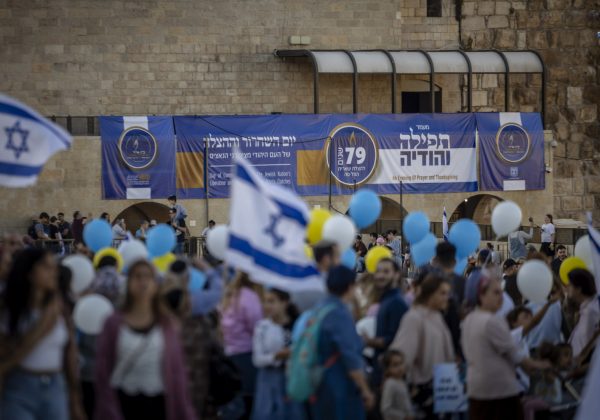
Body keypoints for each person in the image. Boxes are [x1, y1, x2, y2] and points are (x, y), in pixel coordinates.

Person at [94, 259, 196, 420]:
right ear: (129, 283)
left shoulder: (167, 324)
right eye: (137, 276)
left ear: (155, 284)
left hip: (158, 402)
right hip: (123, 402)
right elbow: (103, 368)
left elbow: (177, 372)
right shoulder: (113, 323)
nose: (143, 282)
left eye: (148, 277)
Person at [0, 249, 85, 420]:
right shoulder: (8, 310)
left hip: (55, 385)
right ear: (30, 273)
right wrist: (41, 328)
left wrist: (75, 397)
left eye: (54, 267)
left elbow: (69, 352)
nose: (53, 272)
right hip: (19, 385)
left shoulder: (59, 308)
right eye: (46, 267)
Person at [461, 271, 550, 420]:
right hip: (499, 393)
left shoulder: (469, 319)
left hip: (477, 390)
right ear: (481, 295)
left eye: (501, 292)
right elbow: (515, 355)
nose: (501, 297)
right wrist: (542, 365)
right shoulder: (492, 321)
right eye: (496, 293)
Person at [311, 265, 374, 420]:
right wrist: (365, 389)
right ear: (350, 287)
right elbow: (350, 356)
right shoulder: (339, 314)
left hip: (320, 380)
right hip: (339, 383)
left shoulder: (320, 308)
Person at [390, 272, 455, 419]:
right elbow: (402, 355)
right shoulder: (414, 318)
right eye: (442, 293)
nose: (446, 297)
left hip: (443, 389)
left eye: (447, 293)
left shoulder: (436, 315)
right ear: (430, 293)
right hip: (424, 391)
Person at [251, 288, 301, 420]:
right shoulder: (262, 327)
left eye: (272, 301)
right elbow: (257, 359)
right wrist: (276, 356)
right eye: (265, 301)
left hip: (292, 377)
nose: (267, 306)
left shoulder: (297, 325)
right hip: (269, 378)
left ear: (284, 303)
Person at [220, 271, 263, 418]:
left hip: (231, 352)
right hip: (247, 353)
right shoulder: (250, 297)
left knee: (239, 399)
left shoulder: (232, 295)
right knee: (250, 399)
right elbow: (256, 326)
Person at [362, 258, 408, 388]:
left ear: (396, 275)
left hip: (389, 376)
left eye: (386, 271)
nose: (380, 275)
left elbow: (394, 340)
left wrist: (369, 341)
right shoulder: (387, 299)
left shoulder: (396, 302)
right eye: (378, 271)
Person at [566, 268, 600, 359]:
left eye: (570, 284)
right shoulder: (586, 308)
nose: (567, 286)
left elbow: (585, 343)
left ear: (578, 289)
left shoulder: (591, 311)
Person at [380, 349, 414, 420]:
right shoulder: (390, 384)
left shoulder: (401, 381)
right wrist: (404, 416)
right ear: (387, 369)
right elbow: (385, 409)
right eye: (395, 365)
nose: (400, 368)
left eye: (401, 363)